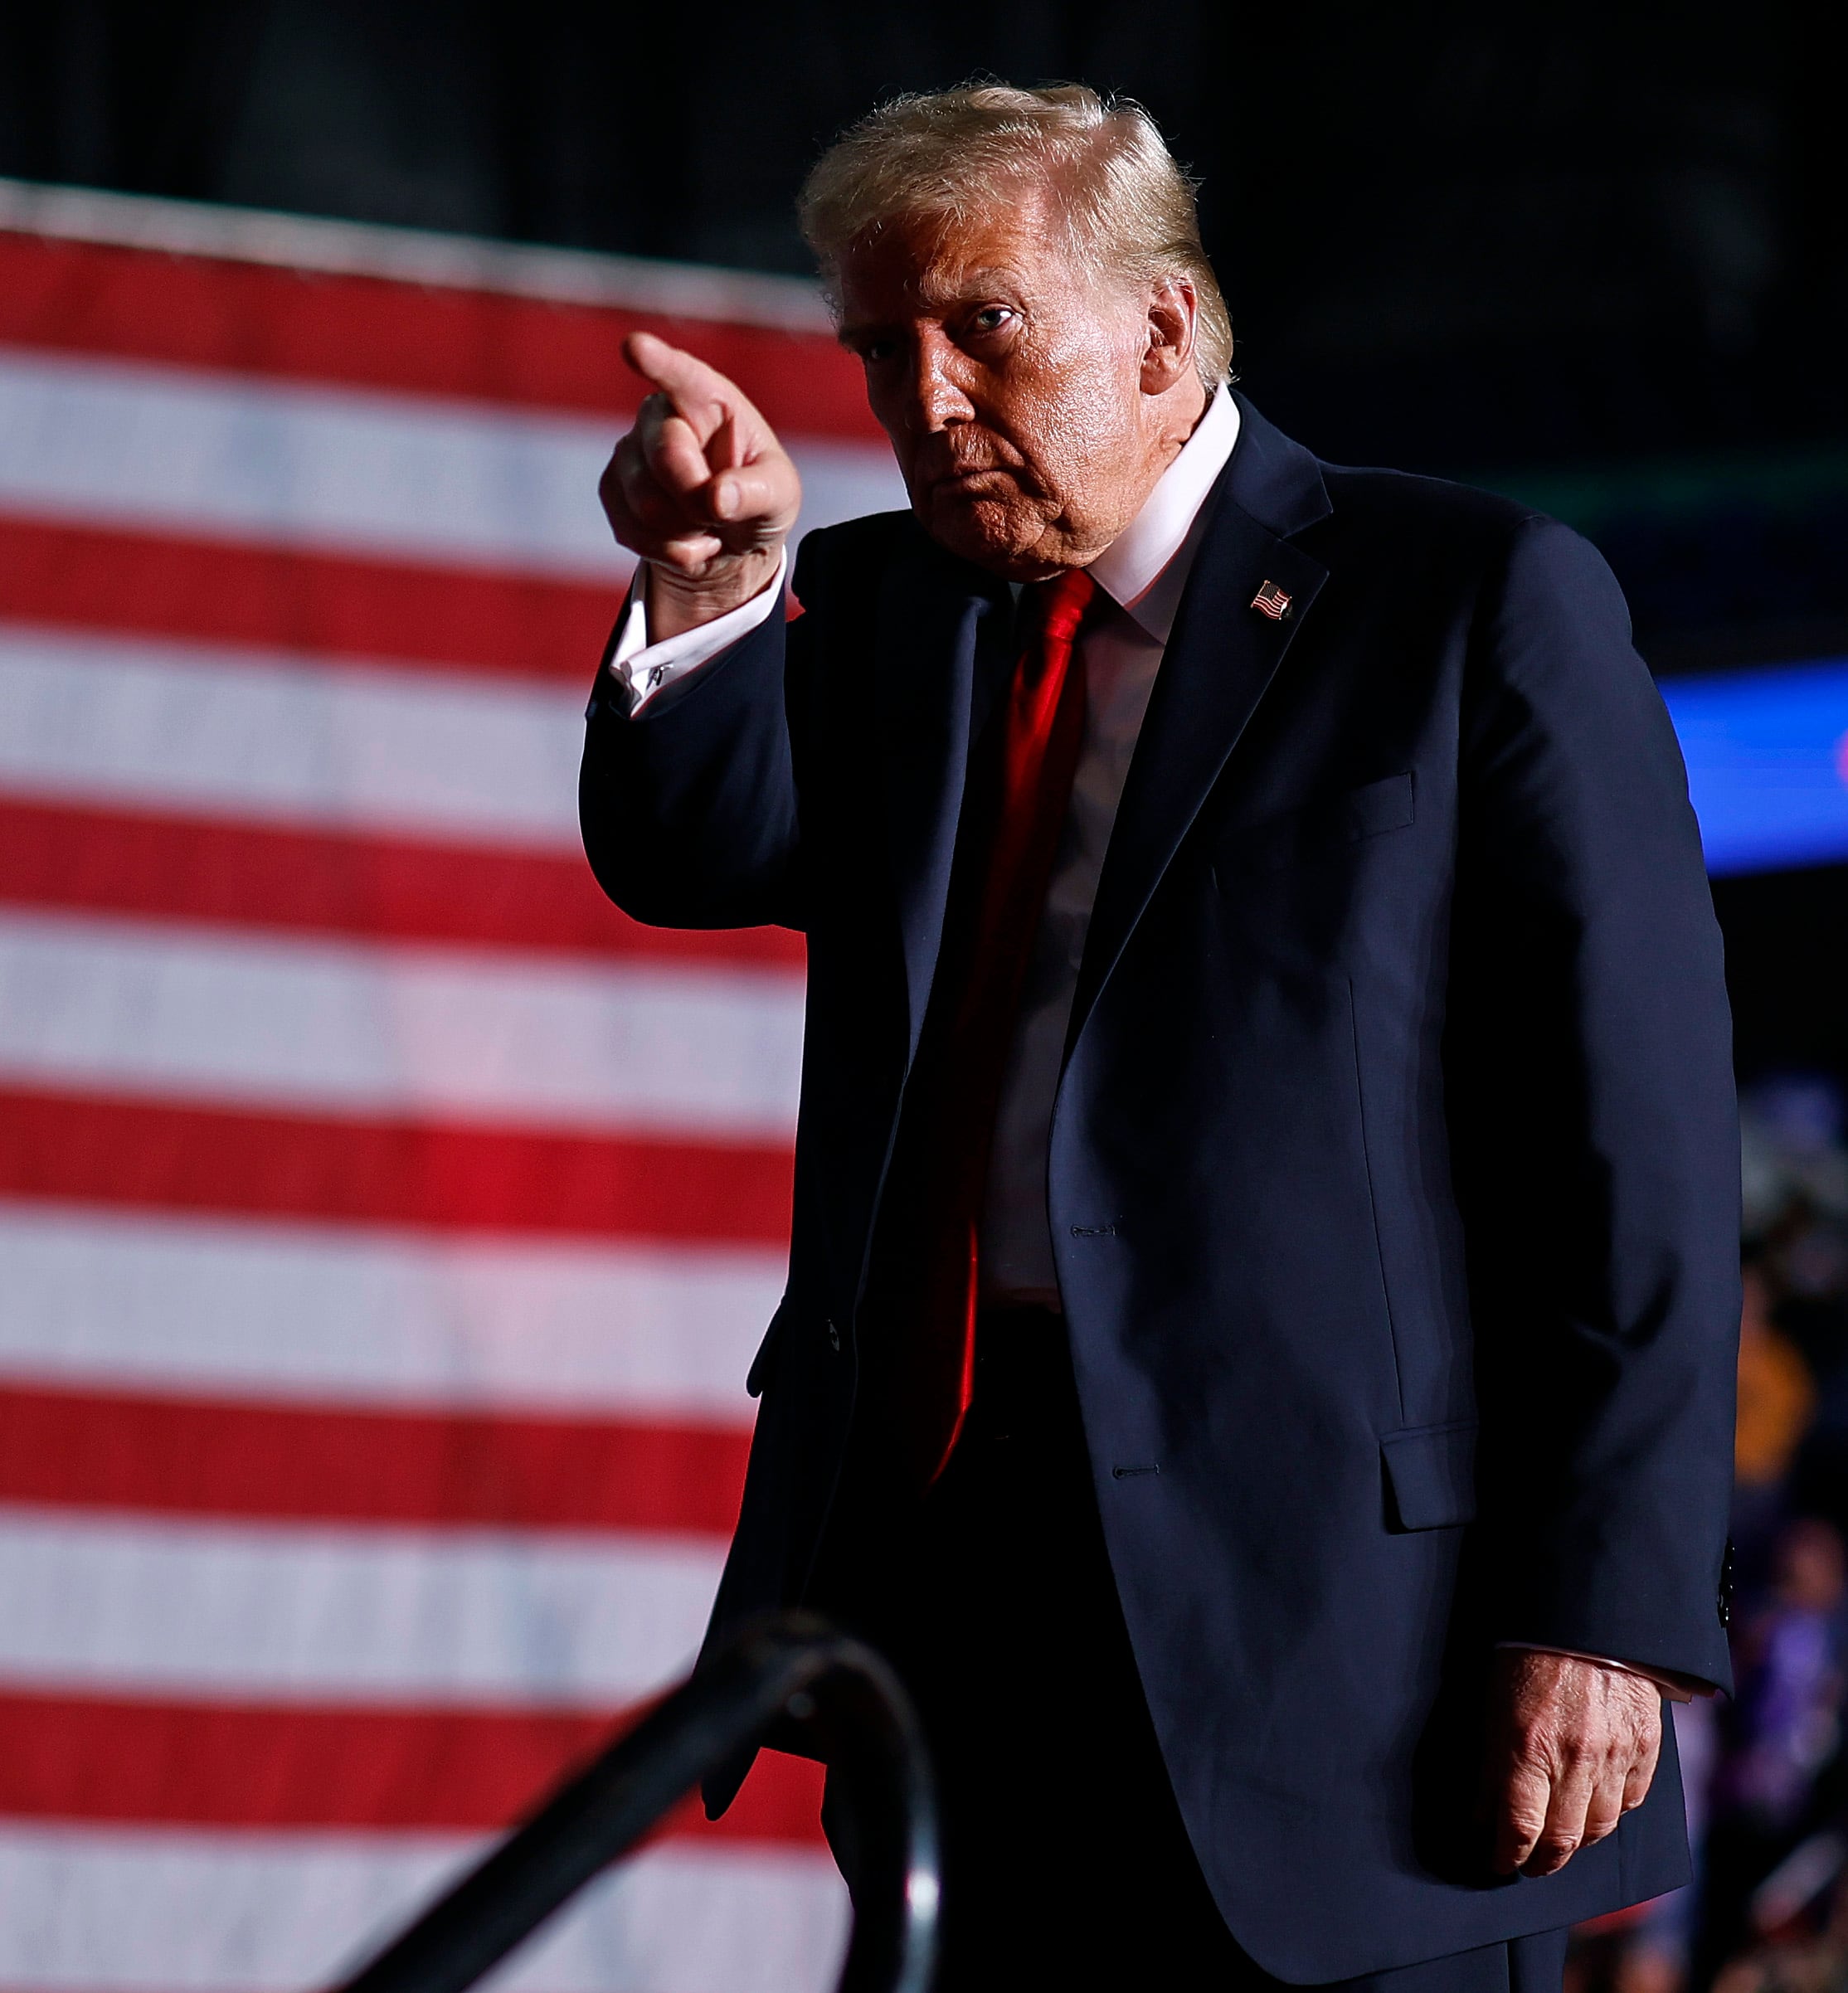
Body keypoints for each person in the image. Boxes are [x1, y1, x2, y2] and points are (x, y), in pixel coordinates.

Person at [579, 83, 1739, 1988]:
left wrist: (1606, 1613)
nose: (924, 401)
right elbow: (692, 848)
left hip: (1359, 1665)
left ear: (1166, 328)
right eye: (885, 350)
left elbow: (1642, 1150)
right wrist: (709, 583)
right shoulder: (882, 608)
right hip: (956, 1598)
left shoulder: (1471, 603)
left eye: (984, 328)